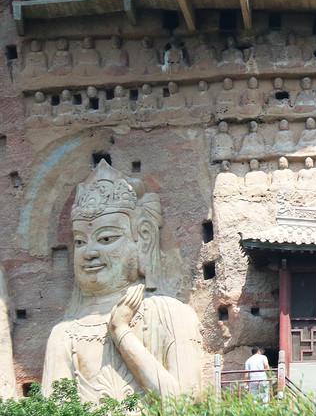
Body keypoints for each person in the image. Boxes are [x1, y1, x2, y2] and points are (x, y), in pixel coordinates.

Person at [43, 161, 204, 403]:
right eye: (80, 242)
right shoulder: (64, 334)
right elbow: (50, 410)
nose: (89, 252)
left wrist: (122, 332)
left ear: (144, 239)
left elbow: (187, 404)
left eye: (106, 238)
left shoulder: (170, 314)